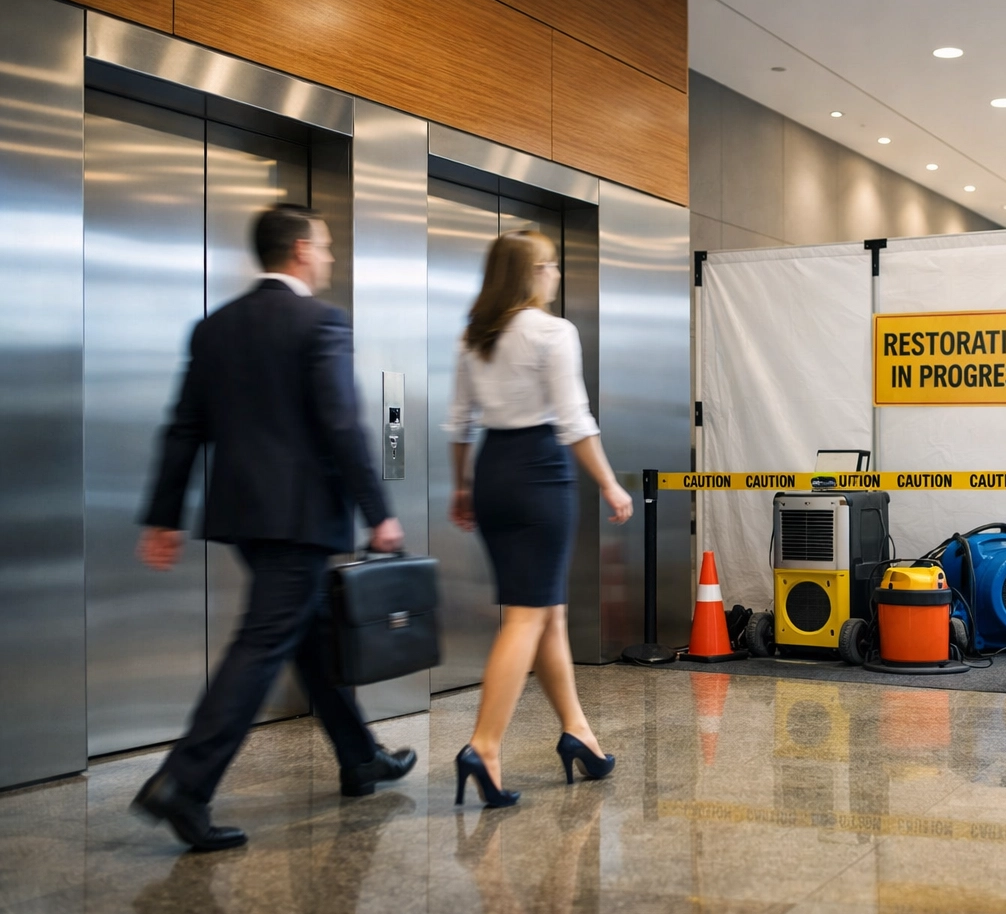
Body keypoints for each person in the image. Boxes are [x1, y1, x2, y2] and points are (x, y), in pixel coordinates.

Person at [133, 204, 416, 851]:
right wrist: (380, 512)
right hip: (301, 516)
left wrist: (164, 515)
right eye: (325, 246)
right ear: (297, 250)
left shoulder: (216, 328)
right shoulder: (321, 323)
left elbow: (184, 428)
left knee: (311, 634)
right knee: (263, 643)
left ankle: (359, 755)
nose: (330, 258)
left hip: (243, 515)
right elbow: (341, 425)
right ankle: (184, 783)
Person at [446, 230, 633, 808]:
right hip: (539, 472)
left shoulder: (475, 337)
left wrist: (462, 486)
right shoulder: (553, 332)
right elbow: (574, 420)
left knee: (547, 610)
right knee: (526, 617)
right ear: (530, 274)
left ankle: (579, 733)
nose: (554, 274)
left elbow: (458, 423)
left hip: (493, 469)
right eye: (549, 265)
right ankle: (485, 746)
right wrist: (608, 482)